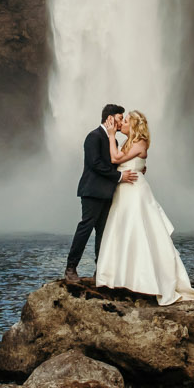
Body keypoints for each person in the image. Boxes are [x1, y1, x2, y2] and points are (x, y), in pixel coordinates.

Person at [94, 109, 194, 305]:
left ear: (134, 125)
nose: (122, 124)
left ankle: (146, 280)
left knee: (140, 232)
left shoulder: (140, 142)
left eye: (126, 121)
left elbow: (115, 159)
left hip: (135, 192)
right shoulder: (129, 143)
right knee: (122, 232)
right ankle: (119, 278)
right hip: (124, 191)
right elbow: (125, 164)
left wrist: (110, 136)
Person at [63, 102, 134, 281]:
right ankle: (71, 268)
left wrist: (136, 168)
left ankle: (99, 271)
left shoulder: (113, 140)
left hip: (107, 193)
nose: (120, 123)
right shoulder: (93, 136)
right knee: (85, 229)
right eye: (119, 119)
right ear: (109, 118)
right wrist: (119, 176)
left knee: (103, 233)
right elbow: (95, 164)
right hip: (92, 191)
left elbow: (117, 161)